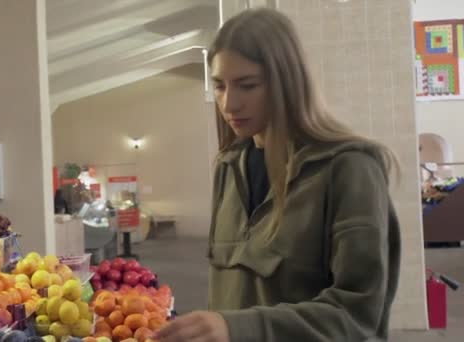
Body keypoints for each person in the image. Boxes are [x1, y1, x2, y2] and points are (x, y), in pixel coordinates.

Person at [154, 8, 401, 342]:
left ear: (287, 81)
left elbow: (358, 316)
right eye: (219, 86)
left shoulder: (349, 169)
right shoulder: (229, 167)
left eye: (247, 85)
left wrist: (236, 328)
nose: (229, 104)